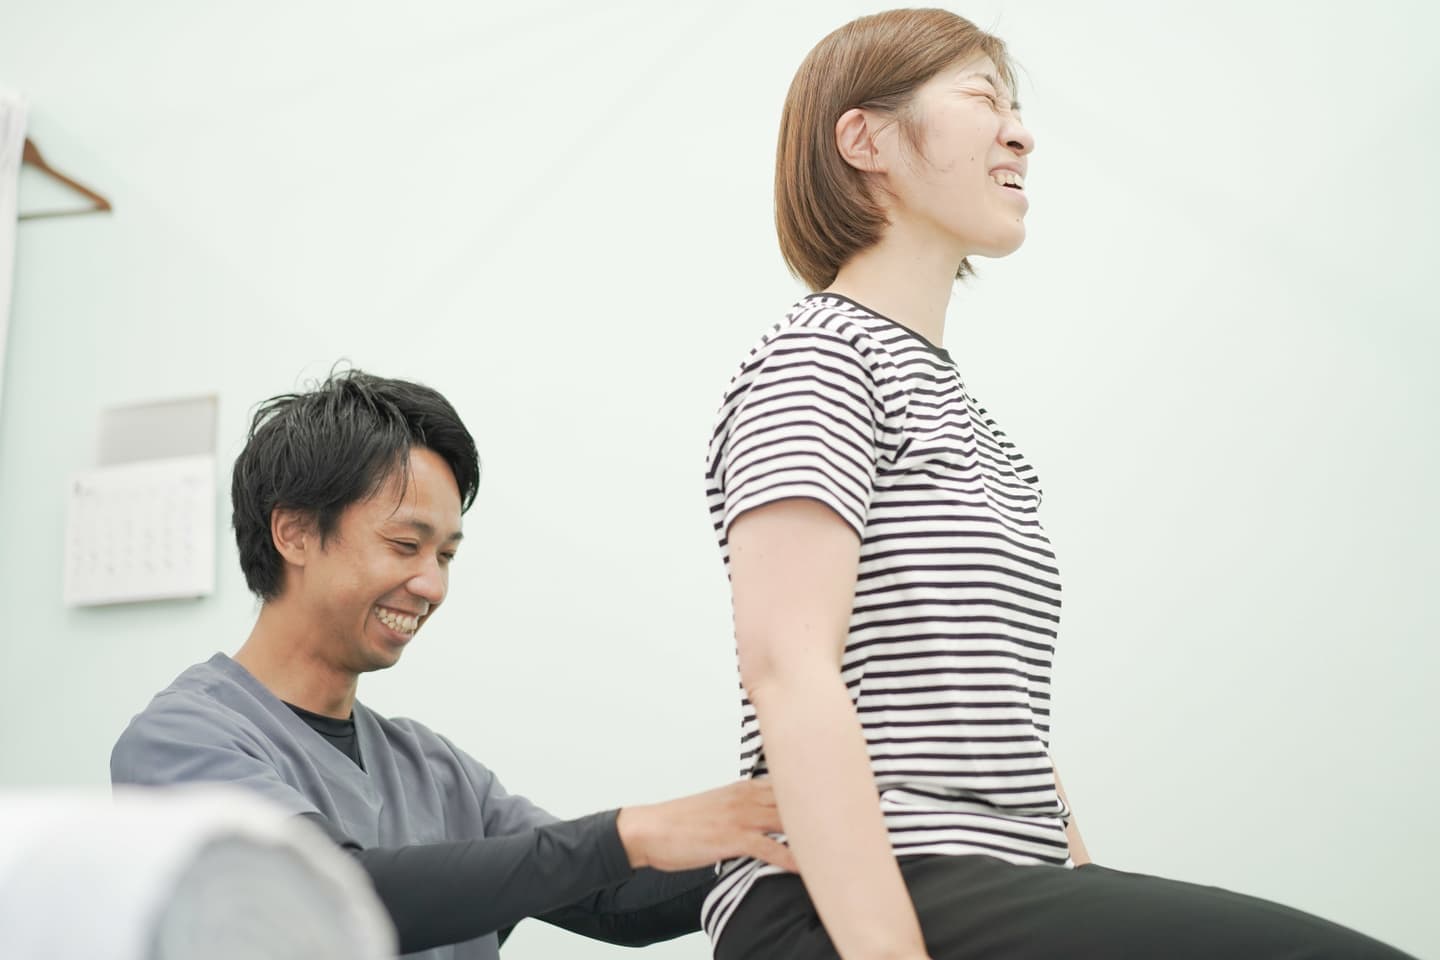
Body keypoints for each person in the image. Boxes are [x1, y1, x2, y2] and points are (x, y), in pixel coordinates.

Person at [700, 9, 1413, 960]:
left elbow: (1002, 721)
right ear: (865, 140)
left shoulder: (971, 420)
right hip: (859, 897)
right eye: (984, 99)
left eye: (1018, 109)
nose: (1021, 134)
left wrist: (1081, 875)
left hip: (998, 882)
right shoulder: (820, 357)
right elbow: (790, 671)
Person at [112, 369, 796, 960]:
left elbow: (611, 899)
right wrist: (626, 834)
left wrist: (799, 837)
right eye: (404, 545)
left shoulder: (434, 771)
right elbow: (336, 892)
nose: (432, 586)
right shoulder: (181, 742)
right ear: (293, 532)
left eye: (446, 556)